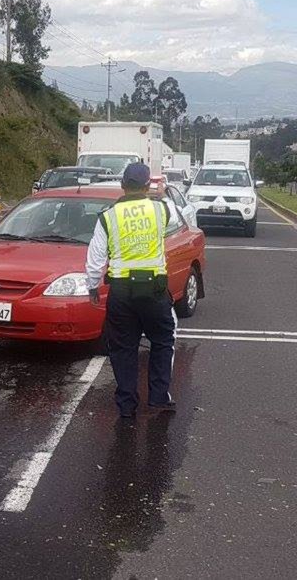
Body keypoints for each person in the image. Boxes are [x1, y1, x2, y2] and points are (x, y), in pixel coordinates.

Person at [85, 162, 177, 418]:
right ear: (147, 186)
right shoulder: (161, 209)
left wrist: (92, 286)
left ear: (122, 185)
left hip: (122, 292)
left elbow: (95, 257)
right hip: (154, 290)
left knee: (123, 348)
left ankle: (127, 405)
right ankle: (158, 397)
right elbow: (172, 218)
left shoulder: (108, 216)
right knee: (162, 341)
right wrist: (159, 194)